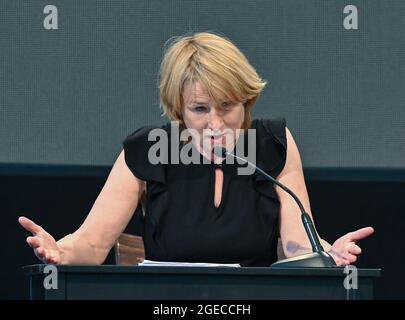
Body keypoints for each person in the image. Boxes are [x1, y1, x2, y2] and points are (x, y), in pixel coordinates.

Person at [18, 32, 373, 267]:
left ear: (247, 101)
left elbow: (297, 246)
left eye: (227, 106)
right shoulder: (147, 149)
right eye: (200, 109)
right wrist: (60, 252)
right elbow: (93, 245)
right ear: (179, 109)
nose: (215, 124)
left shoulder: (273, 144)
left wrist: (328, 254)